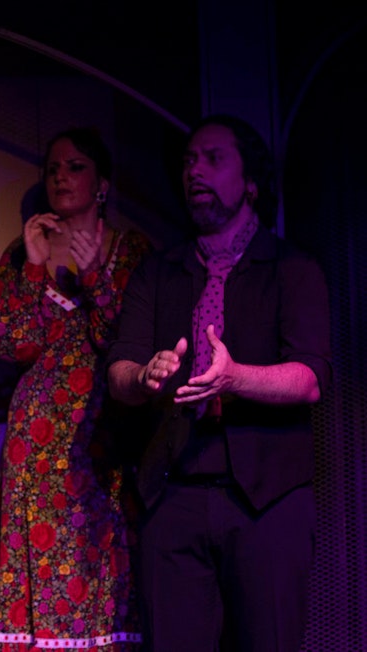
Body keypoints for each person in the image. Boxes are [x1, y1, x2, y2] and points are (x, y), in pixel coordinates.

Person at [106, 114, 332, 652]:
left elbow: (309, 379)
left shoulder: (292, 269)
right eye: (188, 161)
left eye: (212, 159)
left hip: (268, 499)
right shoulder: (159, 272)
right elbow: (119, 372)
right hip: (176, 493)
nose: (195, 171)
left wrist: (234, 378)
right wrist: (143, 376)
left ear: (251, 181)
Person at [0, 127, 150, 650]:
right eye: (52, 168)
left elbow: (122, 338)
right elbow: (11, 343)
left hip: (98, 440)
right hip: (33, 447)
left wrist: (94, 274)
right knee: (35, 577)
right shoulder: (22, 250)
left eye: (74, 167)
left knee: (101, 574)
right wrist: (31, 263)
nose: (61, 177)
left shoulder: (130, 249)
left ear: (102, 183)